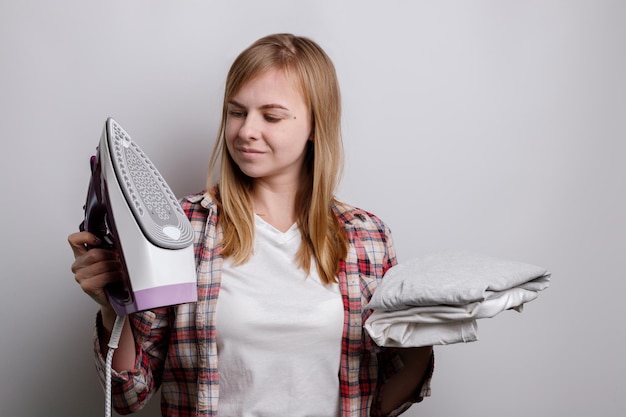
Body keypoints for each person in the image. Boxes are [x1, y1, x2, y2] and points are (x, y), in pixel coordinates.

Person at [68, 33, 434, 417]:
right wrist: (113, 309)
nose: (246, 132)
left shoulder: (367, 238)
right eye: (236, 112)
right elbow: (129, 394)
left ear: (315, 125)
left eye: (271, 116)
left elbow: (382, 402)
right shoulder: (182, 229)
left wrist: (430, 330)